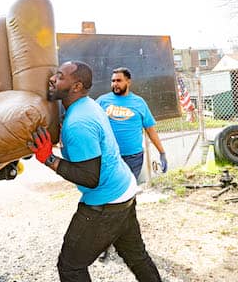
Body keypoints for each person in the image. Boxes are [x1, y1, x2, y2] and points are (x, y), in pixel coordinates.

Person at [27, 61, 162, 282]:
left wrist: (48, 159)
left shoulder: (78, 122)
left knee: (70, 267)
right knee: (137, 256)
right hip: (125, 189)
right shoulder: (88, 105)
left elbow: (90, 178)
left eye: (60, 76)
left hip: (106, 202)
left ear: (76, 86)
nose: (52, 79)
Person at [96, 67, 168, 181]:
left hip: (133, 157)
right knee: (112, 191)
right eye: (113, 81)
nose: (115, 84)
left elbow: (150, 130)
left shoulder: (139, 102)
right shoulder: (102, 101)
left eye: (119, 81)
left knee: (128, 189)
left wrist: (162, 152)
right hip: (109, 155)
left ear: (128, 82)